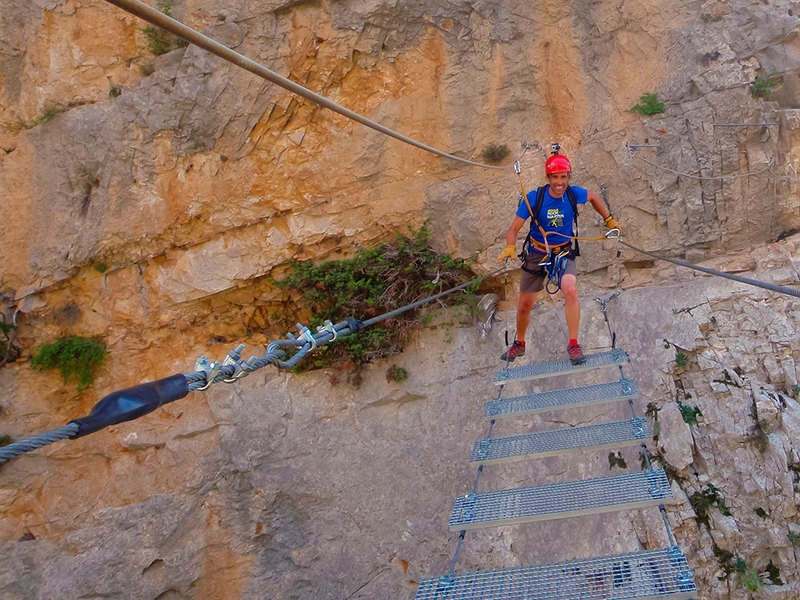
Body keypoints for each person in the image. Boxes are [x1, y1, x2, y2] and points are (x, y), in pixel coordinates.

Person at [497, 152, 621, 364]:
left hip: (563, 253)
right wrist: (510, 246)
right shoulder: (535, 198)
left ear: (568, 177)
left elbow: (592, 197)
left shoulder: (574, 194)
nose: (559, 182)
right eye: (555, 177)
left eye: (563, 177)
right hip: (536, 253)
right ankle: (520, 343)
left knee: (571, 289)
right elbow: (514, 228)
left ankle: (574, 344)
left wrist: (608, 220)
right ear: (548, 178)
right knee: (525, 305)